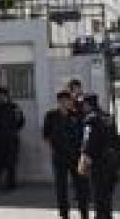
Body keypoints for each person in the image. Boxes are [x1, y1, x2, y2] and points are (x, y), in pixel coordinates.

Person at [43, 90, 89, 219]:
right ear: (58, 102)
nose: (65, 103)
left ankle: (84, 212)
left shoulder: (77, 115)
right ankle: (64, 213)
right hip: (59, 156)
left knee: (81, 186)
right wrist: (53, 147)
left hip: (76, 156)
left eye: (67, 101)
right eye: (62, 101)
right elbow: (46, 134)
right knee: (61, 187)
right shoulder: (51, 116)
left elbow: (83, 134)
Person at [78, 94, 118, 219]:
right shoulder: (107, 117)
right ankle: (107, 215)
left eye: (83, 104)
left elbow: (87, 140)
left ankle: (100, 216)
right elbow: (115, 138)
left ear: (88, 105)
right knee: (107, 192)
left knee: (98, 192)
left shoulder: (90, 119)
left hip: (98, 161)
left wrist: (84, 157)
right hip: (111, 160)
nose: (82, 107)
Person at [0, 87, 25, 191]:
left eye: (2, 96)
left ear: (7, 96)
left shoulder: (14, 107)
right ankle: (1, 182)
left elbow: (21, 121)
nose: (0, 98)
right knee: (0, 161)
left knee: (11, 161)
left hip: (11, 137)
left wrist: (13, 130)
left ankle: (11, 183)